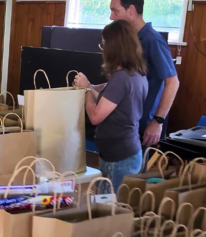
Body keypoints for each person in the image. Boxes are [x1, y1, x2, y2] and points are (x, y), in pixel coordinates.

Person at [75, 20, 148, 193]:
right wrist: (91, 87)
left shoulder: (122, 79)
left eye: (105, 43)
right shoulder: (135, 74)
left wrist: (86, 89)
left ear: (114, 47)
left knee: (109, 211)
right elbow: (107, 93)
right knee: (107, 205)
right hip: (121, 154)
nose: (103, 49)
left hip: (120, 157)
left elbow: (95, 116)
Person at [109, 0, 180, 148]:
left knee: (135, 170)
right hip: (126, 121)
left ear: (131, 10)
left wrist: (158, 121)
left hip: (143, 123)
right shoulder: (130, 40)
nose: (111, 17)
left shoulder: (152, 40)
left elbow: (173, 82)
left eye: (115, 11)